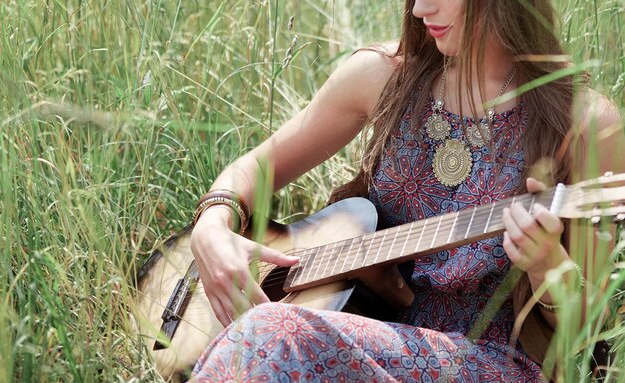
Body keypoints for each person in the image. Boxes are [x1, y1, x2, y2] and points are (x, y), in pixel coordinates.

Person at [188, 0, 623, 381]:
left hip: (490, 361)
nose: (419, 9)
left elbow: (584, 325)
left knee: (272, 331)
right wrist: (211, 225)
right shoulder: (382, 76)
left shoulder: (584, 124)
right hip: (356, 322)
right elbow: (253, 169)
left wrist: (546, 263)